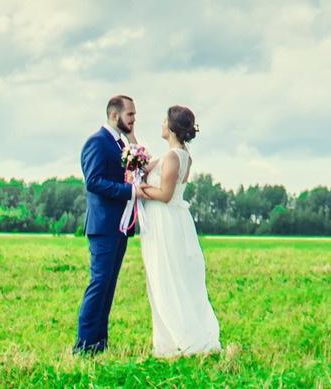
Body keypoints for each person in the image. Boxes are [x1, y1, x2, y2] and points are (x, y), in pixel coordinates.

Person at [133, 104, 222, 356]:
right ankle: (170, 340)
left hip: (165, 221)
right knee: (167, 278)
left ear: (172, 127)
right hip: (170, 220)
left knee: (166, 278)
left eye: (164, 120)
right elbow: (145, 168)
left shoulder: (173, 157)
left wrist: (139, 191)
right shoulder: (178, 154)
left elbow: (165, 194)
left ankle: (183, 338)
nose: (161, 123)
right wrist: (133, 157)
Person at [74, 94, 141, 355]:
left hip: (120, 226)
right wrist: (130, 191)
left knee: (108, 287)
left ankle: (99, 344)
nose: (134, 120)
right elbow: (93, 182)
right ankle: (83, 346)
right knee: (98, 284)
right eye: (130, 115)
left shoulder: (119, 144)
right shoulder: (97, 142)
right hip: (102, 226)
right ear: (114, 115)